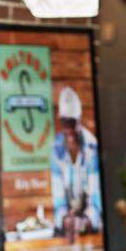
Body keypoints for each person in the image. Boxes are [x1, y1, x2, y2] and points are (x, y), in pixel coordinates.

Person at [51, 86, 103, 240]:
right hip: (68, 229)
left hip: (91, 227)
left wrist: (85, 221)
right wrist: (65, 219)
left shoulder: (92, 147)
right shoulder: (56, 149)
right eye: (64, 122)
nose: (69, 129)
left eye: (72, 122)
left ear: (79, 121)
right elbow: (58, 198)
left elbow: (95, 196)